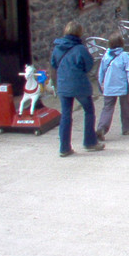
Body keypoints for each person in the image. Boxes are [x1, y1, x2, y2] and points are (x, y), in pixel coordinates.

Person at [50, 20, 104, 157]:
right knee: (89, 111)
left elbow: (54, 65)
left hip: (63, 85)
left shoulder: (57, 48)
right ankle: (89, 142)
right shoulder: (80, 49)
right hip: (80, 85)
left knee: (66, 115)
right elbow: (89, 65)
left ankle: (64, 147)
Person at [96, 32, 129, 140]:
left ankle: (102, 128)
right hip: (122, 86)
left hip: (109, 87)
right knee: (125, 106)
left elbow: (101, 72)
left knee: (107, 108)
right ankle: (126, 127)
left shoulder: (106, 56)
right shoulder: (125, 56)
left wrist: (101, 86)